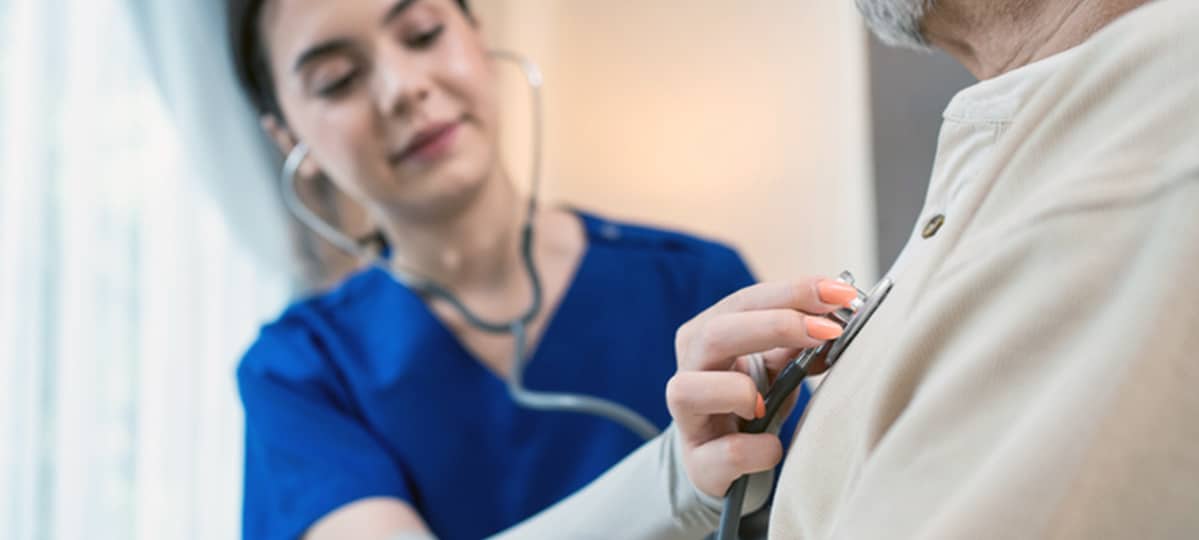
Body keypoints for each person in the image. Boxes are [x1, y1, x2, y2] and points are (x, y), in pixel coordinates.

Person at [475, 0, 1197, 538]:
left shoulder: (1157, 120)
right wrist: (687, 479)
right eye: (351, 77)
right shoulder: (1021, 146)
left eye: (421, 33)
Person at [224, 1, 835, 539]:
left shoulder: (694, 284)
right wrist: (679, 484)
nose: (402, 87)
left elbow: (829, 512)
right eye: (337, 80)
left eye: (422, 32)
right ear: (286, 138)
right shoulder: (300, 370)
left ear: (476, 36)